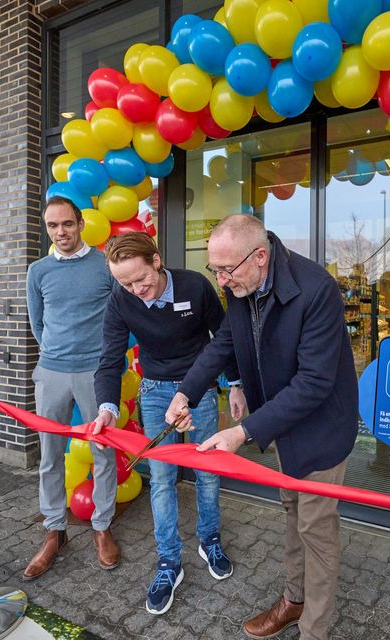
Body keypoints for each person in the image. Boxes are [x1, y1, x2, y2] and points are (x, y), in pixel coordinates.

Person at [167, 214, 359, 640]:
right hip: (280, 422)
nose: (219, 281)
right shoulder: (243, 282)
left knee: (316, 529)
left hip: (321, 428)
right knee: (292, 512)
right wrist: (187, 392)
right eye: (212, 269)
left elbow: (314, 383)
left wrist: (242, 432)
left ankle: (314, 629)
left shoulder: (316, 289)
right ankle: (294, 601)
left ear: (259, 256)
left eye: (225, 270)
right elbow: (226, 343)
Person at [90, 232, 246, 615]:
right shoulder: (122, 299)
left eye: (140, 279)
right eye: (125, 283)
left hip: (201, 388)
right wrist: (107, 407)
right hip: (156, 391)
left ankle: (209, 540)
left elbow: (224, 337)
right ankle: (168, 563)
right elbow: (110, 358)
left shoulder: (196, 285)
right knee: (161, 479)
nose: (135, 290)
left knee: (208, 472)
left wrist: (237, 384)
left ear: (156, 261)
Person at [23, 195, 120, 580]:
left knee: (103, 453)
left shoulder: (104, 267)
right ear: (47, 229)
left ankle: (102, 526)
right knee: (49, 454)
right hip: (52, 373)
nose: (60, 232)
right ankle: (54, 530)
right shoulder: (38, 271)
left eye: (66, 223)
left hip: (97, 374)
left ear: (80, 224)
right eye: (52, 226)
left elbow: (117, 319)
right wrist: (56, 352)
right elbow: (38, 323)